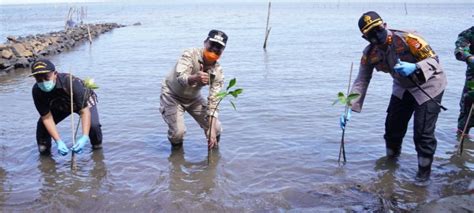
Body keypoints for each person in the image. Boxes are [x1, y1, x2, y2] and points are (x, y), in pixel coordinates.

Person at [340, 11, 447, 181]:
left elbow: (434, 60)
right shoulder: (370, 53)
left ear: (385, 25)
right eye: (370, 34)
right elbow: (362, 79)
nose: (376, 36)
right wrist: (349, 107)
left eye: (377, 29)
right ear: (365, 37)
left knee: (422, 135)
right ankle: (390, 167)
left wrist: (416, 67)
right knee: (392, 129)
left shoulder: (409, 40)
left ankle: (422, 178)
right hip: (402, 86)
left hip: (429, 84)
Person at [160, 30, 227, 149]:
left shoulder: (217, 72)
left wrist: (211, 130)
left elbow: (214, 101)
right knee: (178, 133)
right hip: (172, 95)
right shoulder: (190, 54)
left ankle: (214, 159)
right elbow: (180, 77)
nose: (214, 49)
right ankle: (176, 162)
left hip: (193, 97)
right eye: (212, 44)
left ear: (223, 50)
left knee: (215, 129)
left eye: (219, 47)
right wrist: (195, 78)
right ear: (205, 42)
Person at [30, 59, 102, 156]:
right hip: (60, 104)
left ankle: (97, 148)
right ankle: (45, 156)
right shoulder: (37, 91)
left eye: (46, 78)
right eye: (38, 79)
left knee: (93, 125)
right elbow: (46, 118)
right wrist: (58, 141)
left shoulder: (71, 82)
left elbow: (84, 111)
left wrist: (84, 136)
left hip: (82, 101)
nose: (43, 82)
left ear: (55, 74)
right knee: (42, 127)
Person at [454, 26, 474, 134]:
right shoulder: (468, 34)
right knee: (467, 108)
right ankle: (462, 138)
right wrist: (469, 58)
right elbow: (459, 51)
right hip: (473, 80)